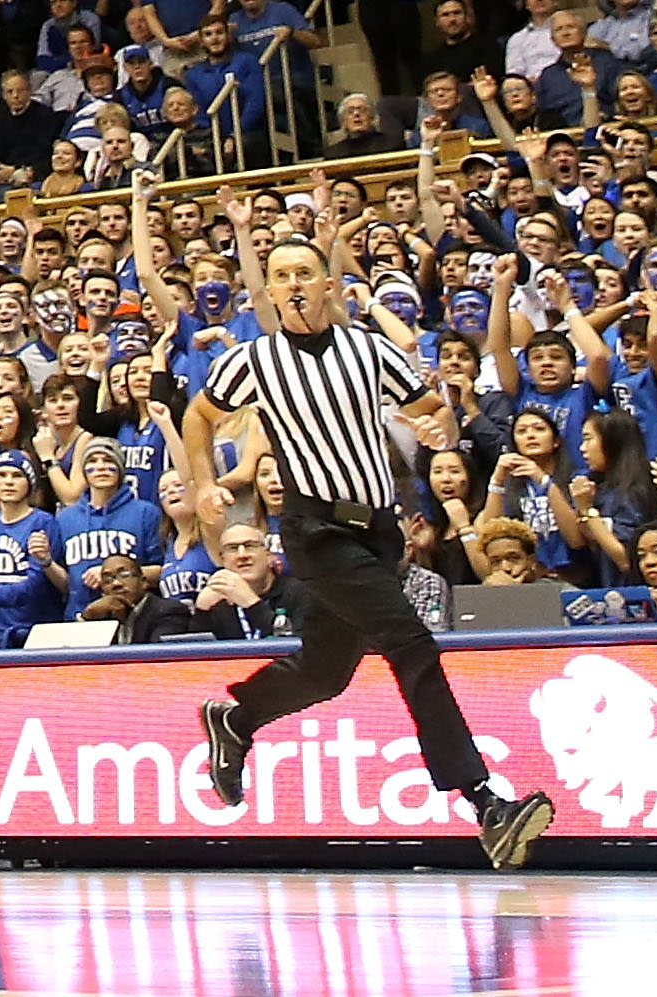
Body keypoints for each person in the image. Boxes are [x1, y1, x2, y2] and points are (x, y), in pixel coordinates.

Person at [178, 183, 557, 869]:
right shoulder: (250, 359)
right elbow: (198, 416)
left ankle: (235, 717)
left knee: (326, 672)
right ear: (266, 288)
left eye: (302, 272)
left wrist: (437, 422)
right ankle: (484, 801)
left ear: (327, 281)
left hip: (378, 530)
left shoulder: (370, 348)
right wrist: (204, 480)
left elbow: (426, 409)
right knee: (411, 642)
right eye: (279, 275)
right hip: (316, 531)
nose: (292, 284)